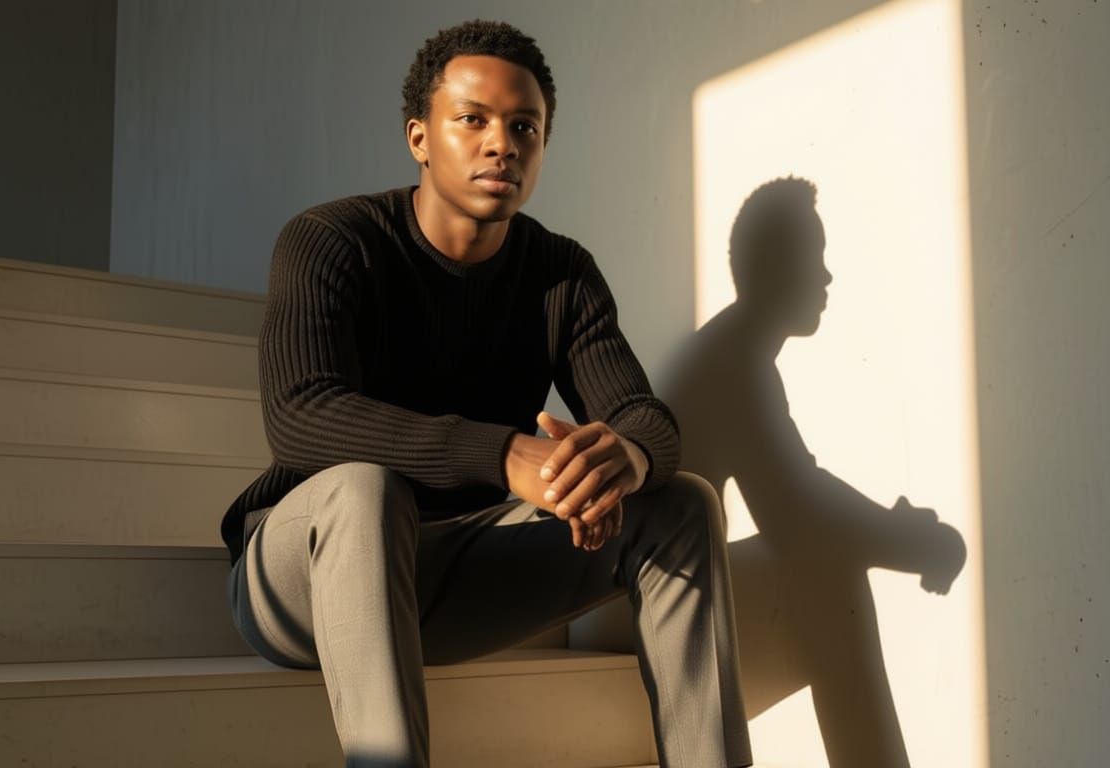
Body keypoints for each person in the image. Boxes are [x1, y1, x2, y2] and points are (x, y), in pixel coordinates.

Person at [221, 19, 752, 768]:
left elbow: (645, 419)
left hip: (447, 579)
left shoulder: (560, 273)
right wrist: (504, 455)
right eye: (472, 119)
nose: (501, 143)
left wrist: (621, 459)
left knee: (683, 504)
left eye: (523, 126)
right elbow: (300, 417)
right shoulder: (331, 241)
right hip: (304, 581)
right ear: (420, 137)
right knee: (365, 490)